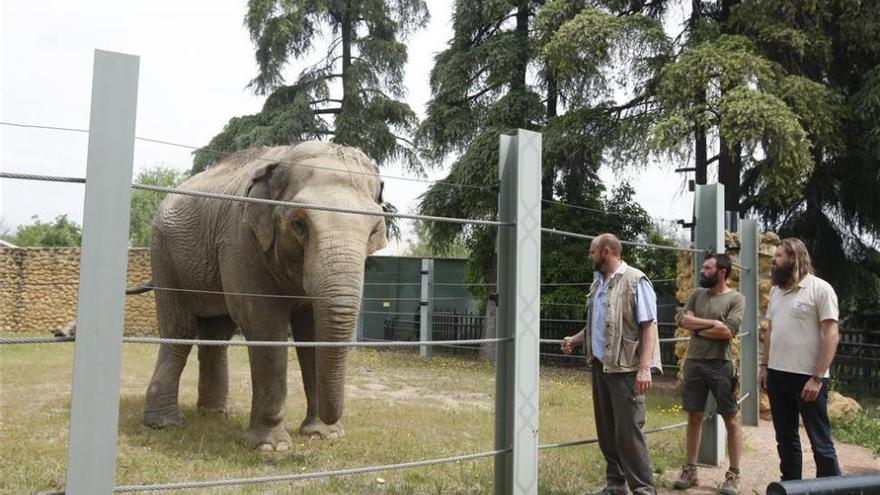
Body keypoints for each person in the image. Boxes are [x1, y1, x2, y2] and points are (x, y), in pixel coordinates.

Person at [561, 233, 662, 495]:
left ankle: (643, 490)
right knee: (606, 432)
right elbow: (596, 323)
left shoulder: (635, 281)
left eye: (592, 251)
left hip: (626, 370)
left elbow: (649, 326)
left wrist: (644, 368)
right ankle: (616, 485)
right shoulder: (598, 284)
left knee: (628, 434)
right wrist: (575, 339)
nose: (589, 256)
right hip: (600, 366)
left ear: (606, 252)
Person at [761, 238, 841, 480]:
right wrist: (764, 367)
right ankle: (791, 486)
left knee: (820, 441)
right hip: (777, 374)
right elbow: (770, 332)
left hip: (809, 378)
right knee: (785, 439)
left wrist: (817, 378)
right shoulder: (776, 292)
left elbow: (831, 335)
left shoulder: (820, 289)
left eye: (778, 256)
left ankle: (832, 489)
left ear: (794, 258)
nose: (773, 260)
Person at [672, 254, 745, 494]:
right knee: (694, 416)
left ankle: (733, 474)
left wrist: (698, 327)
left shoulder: (736, 298)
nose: (702, 271)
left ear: (721, 271)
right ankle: (690, 471)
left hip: (721, 365)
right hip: (694, 362)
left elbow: (728, 332)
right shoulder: (696, 294)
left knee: (730, 418)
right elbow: (682, 319)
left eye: (707, 268)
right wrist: (712, 324)